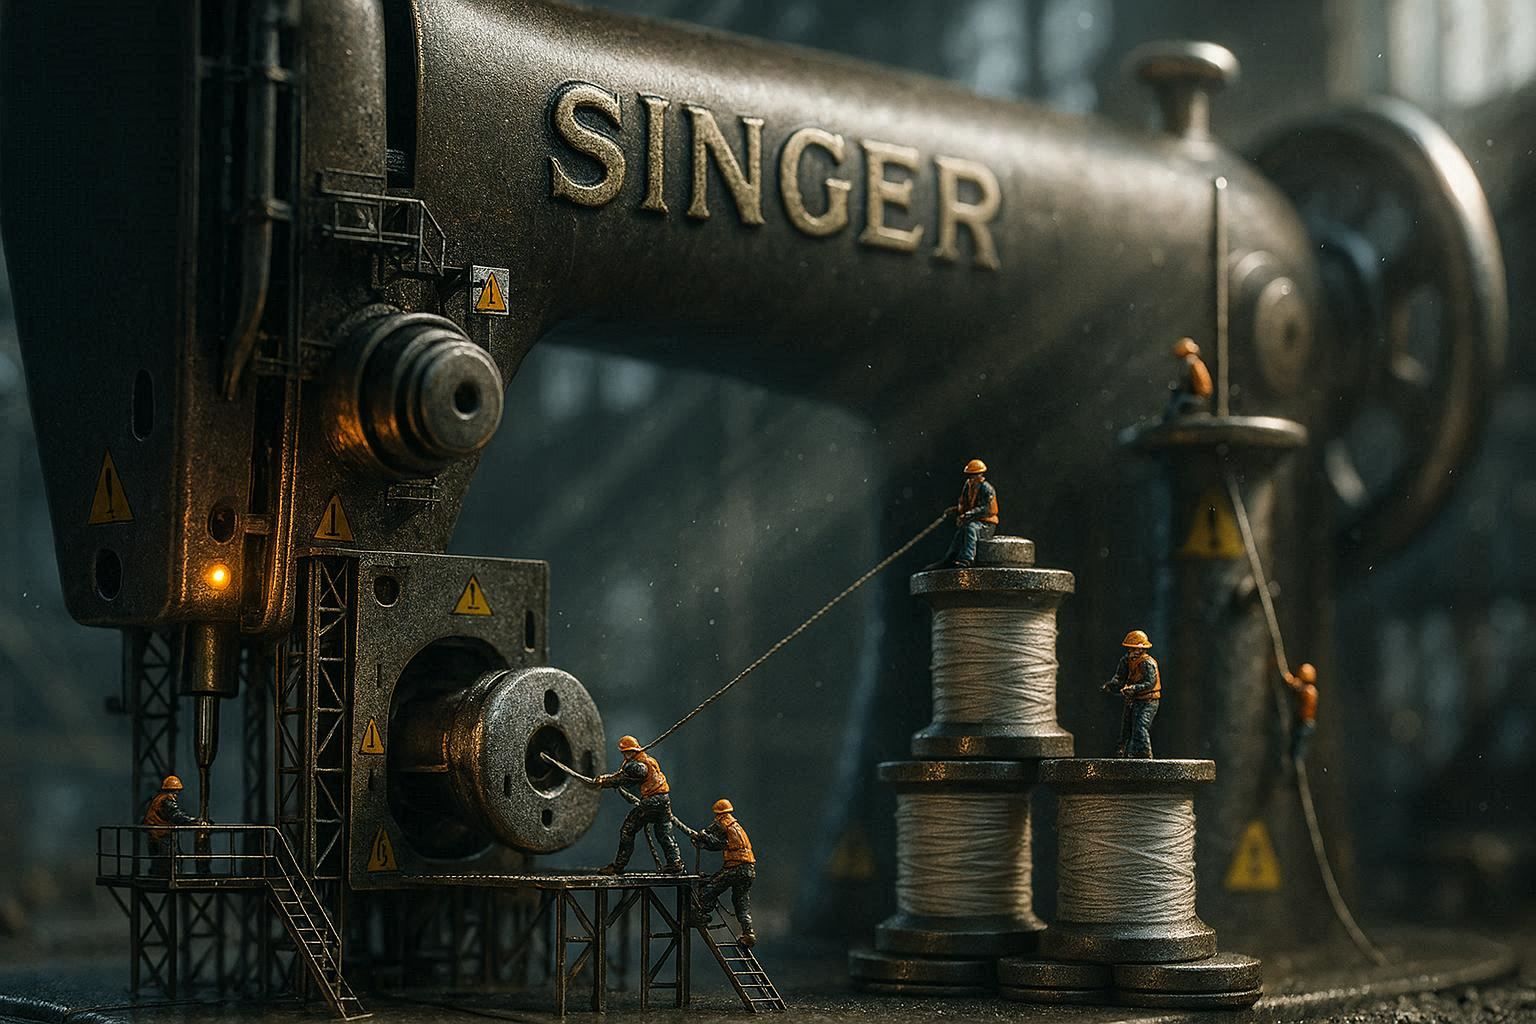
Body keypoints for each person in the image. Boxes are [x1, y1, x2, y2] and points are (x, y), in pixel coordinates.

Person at [597, 735, 684, 874]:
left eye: (626, 752)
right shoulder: (650, 760)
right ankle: (675, 863)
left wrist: (604, 782)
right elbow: (630, 781)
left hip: (652, 801)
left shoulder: (637, 765)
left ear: (631, 751)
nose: (625, 755)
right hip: (664, 799)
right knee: (663, 832)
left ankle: (618, 867)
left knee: (628, 829)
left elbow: (624, 779)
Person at [688, 798, 757, 948]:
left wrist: (703, 836)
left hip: (735, 868)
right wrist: (704, 841)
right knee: (742, 902)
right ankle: (748, 933)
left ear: (720, 814)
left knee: (709, 889)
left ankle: (701, 916)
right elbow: (721, 845)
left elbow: (715, 842)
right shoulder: (737, 828)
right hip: (749, 869)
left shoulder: (724, 824)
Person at [924, 458, 1000, 570]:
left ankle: (968, 559)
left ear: (980, 475)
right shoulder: (968, 487)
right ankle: (950, 558)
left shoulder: (986, 489)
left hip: (986, 525)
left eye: (973, 475)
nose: (971, 478)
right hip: (974, 521)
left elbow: (988, 509)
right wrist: (956, 510)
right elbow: (965, 505)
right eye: (970, 475)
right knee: (961, 532)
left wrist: (969, 514)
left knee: (970, 528)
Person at [1103, 630, 1161, 758]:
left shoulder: (1147, 663)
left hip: (1148, 700)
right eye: (1132, 649)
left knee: (1140, 728)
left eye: (1137, 649)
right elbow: (1120, 677)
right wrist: (1112, 685)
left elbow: (1150, 683)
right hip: (1133, 700)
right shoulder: (1126, 660)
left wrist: (1134, 688)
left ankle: (1144, 754)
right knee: (1126, 728)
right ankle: (1123, 753)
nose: (1135, 652)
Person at [142, 775, 200, 875]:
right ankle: (171, 875)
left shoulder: (158, 799)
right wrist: (194, 821)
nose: (177, 795)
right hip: (161, 834)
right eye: (176, 792)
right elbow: (176, 815)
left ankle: (158, 873)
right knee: (172, 858)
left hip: (154, 833)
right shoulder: (166, 799)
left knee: (161, 859)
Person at [1165, 337, 1213, 419]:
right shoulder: (1196, 361)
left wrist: (1177, 389)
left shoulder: (1189, 361)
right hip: (1201, 396)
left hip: (1197, 397)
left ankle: (1169, 424)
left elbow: (1186, 384)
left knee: (1175, 404)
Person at [1283, 662, 1319, 765]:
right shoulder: (1310, 689)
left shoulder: (1309, 691)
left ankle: (1296, 765)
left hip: (1305, 723)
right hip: (1305, 722)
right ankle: (1295, 763)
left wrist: (1289, 680)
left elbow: (1297, 687)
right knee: (1297, 745)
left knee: (1298, 748)